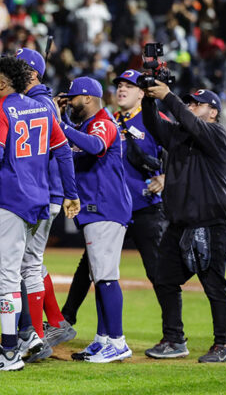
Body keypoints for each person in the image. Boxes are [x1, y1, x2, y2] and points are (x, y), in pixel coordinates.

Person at [0, 56, 78, 371]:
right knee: (21, 270)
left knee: (6, 277)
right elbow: (62, 151)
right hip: (38, 200)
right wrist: (71, 193)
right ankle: (27, 334)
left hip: (8, 198)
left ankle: (8, 352)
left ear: (4, 82)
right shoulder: (41, 108)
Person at [61, 70, 168, 330]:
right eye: (119, 84)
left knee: (156, 272)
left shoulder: (154, 119)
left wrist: (168, 176)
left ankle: (173, 335)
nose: (122, 89)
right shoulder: (111, 119)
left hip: (143, 207)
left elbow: (181, 150)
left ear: (142, 93)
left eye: (129, 86)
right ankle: (74, 324)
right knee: (91, 270)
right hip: (113, 205)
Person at [141, 85, 226, 363]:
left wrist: (169, 96)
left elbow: (190, 122)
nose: (191, 106)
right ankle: (174, 339)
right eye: (189, 102)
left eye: (197, 103)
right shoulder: (181, 136)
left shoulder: (218, 133)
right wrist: (148, 98)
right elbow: (153, 123)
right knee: (164, 279)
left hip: (211, 222)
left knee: (215, 286)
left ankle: (222, 345)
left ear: (213, 111)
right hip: (179, 224)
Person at [55, 76, 133, 363]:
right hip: (97, 207)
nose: (70, 103)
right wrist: (62, 117)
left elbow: (96, 145)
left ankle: (118, 341)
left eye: (73, 98)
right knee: (100, 276)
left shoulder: (102, 121)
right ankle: (103, 340)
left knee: (106, 277)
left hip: (106, 207)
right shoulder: (87, 125)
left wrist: (61, 125)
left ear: (87, 98)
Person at [15, 48, 77, 351]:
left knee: (28, 262)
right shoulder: (44, 102)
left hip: (44, 192)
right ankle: (55, 322)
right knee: (33, 262)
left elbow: (57, 150)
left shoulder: (38, 104)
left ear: (32, 73)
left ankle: (38, 334)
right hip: (46, 191)